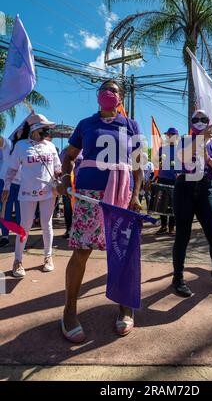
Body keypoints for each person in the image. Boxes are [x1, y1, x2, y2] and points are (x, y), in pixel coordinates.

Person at [59, 79, 143, 343]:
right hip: (88, 196)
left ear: (121, 97)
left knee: (122, 252)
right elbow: (69, 155)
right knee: (81, 251)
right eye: (104, 90)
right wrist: (64, 177)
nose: (108, 93)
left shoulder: (131, 126)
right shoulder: (86, 124)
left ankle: (125, 307)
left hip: (121, 196)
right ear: (98, 97)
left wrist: (136, 195)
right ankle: (69, 310)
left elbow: (138, 165)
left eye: (114, 90)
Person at [172, 109, 212, 298]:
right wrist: (200, 141)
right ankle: (178, 277)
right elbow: (181, 158)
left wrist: (208, 159)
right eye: (195, 119)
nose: (199, 121)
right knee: (182, 235)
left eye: (203, 119)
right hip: (184, 188)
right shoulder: (184, 140)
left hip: (206, 188)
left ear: (209, 122)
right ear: (191, 123)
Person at [1, 114, 61, 278]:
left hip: (48, 193)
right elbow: (12, 169)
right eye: (44, 128)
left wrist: (60, 176)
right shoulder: (21, 146)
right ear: (34, 129)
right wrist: (6, 187)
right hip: (27, 193)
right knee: (24, 227)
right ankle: (18, 261)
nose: (47, 131)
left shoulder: (50, 146)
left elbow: (57, 167)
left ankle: (48, 257)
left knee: (46, 225)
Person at [0, 128, 25, 247]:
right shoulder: (9, 144)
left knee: (21, 213)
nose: (19, 131)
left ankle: (20, 235)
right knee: (6, 210)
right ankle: (5, 236)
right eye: (18, 131)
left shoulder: (27, 147)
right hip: (6, 183)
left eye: (23, 130)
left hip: (22, 184)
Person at [156, 127, 179, 236]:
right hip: (162, 178)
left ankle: (171, 228)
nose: (168, 137)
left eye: (170, 135)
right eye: (167, 135)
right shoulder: (162, 148)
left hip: (175, 180)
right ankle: (163, 226)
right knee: (161, 203)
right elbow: (158, 163)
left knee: (174, 204)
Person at [59, 146, 83, 239]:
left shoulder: (87, 148)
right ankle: (69, 229)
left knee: (80, 208)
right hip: (69, 182)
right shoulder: (65, 151)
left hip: (81, 183)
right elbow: (61, 165)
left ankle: (79, 230)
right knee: (68, 206)